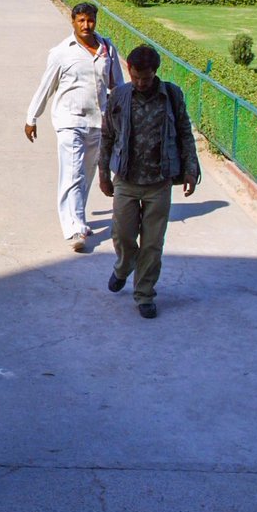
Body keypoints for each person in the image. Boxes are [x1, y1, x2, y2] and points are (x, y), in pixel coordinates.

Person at [100, 45, 200, 319]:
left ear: (155, 72)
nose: (141, 83)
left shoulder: (171, 95)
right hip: (126, 179)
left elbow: (184, 133)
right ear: (129, 71)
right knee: (122, 234)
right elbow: (107, 136)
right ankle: (123, 266)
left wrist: (190, 169)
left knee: (153, 243)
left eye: (146, 78)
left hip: (159, 181)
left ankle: (144, 293)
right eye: (135, 77)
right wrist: (103, 174)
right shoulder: (119, 96)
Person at [25, 3, 124, 252]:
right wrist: (32, 117)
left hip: (98, 122)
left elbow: (119, 87)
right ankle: (74, 228)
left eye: (90, 20)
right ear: (73, 21)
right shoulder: (62, 52)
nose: (86, 25)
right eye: (81, 20)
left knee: (88, 172)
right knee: (72, 173)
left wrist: (123, 119)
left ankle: (78, 217)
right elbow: (46, 85)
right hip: (70, 121)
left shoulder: (107, 48)